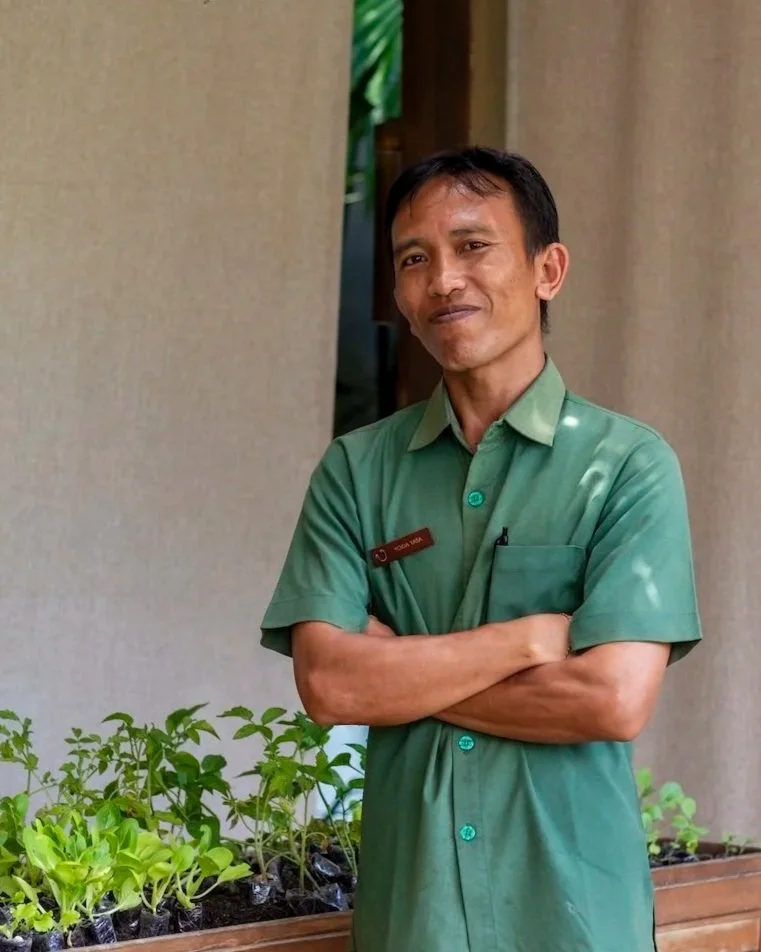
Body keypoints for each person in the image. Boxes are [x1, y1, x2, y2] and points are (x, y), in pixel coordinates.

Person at [260, 147, 702, 952]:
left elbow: (609, 700)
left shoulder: (627, 466)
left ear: (548, 269)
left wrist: (398, 675)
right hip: (411, 918)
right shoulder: (356, 472)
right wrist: (530, 640)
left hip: (574, 920)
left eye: (472, 246)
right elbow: (327, 684)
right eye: (414, 258)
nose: (443, 280)